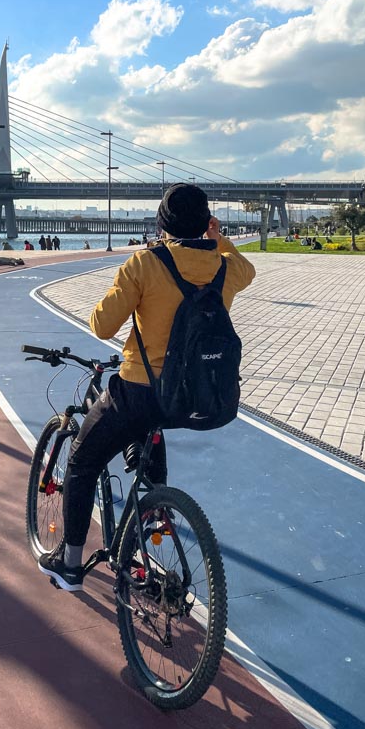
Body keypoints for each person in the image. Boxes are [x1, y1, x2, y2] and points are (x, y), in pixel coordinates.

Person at [38, 183, 256, 590]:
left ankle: (69, 563)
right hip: (194, 397)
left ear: (162, 222)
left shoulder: (145, 263)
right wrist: (218, 236)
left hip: (139, 391)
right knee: (149, 447)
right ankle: (151, 522)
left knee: (83, 463)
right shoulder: (226, 269)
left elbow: (102, 325)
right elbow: (247, 267)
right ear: (205, 221)